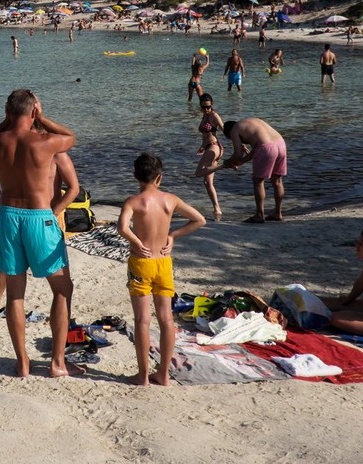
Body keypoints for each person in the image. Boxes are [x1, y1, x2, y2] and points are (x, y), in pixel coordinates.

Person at [0, 89, 80, 378]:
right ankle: (57, 363)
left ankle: (23, 363)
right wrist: (42, 116)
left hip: (9, 216)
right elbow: (71, 136)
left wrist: (9, 117)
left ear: (6, 111)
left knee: (15, 294)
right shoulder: (46, 142)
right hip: (40, 217)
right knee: (63, 289)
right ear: (34, 113)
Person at [117, 152, 206, 386]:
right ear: (160, 177)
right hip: (163, 263)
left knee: (142, 320)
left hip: (141, 262)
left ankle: (143, 376)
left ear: (136, 176)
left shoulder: (133, 201)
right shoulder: (170, 200)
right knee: (167, 319)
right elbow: (199, 220)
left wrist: (136, 242)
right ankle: (164, 374)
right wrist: (173, 236)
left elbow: (122, 227)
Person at [0, 150, 79, 317]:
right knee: (7, 264)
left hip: (47, 218)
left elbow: (73, 188)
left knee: (60, 281)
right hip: (21, 217)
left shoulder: (56, 154)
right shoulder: (21, 151)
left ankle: (63, 319)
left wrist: (55, 211)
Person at [222, 117, 287, 222]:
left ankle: (259, 215)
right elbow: (257, 147)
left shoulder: (234, 130)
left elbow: (238, 153)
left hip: (266, 148)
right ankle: (278, 213)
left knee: (258, 181)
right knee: (277, 181)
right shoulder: (250, 122)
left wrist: (227, 162)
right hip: (281, 144)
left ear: (228, 133)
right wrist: (242, 161)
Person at [192, 94, 224, 221]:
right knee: (207, 182)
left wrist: (240, 143)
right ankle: (217, 209)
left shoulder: (213, 115)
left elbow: (224, 129)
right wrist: (202, 146)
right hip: (209, 147)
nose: (206, 109)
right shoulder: (205, 115)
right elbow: (206, 134)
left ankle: (224, 165)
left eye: (209, 107)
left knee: (198, 173)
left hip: (214, 147)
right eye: (204, 107)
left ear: (212, 104)